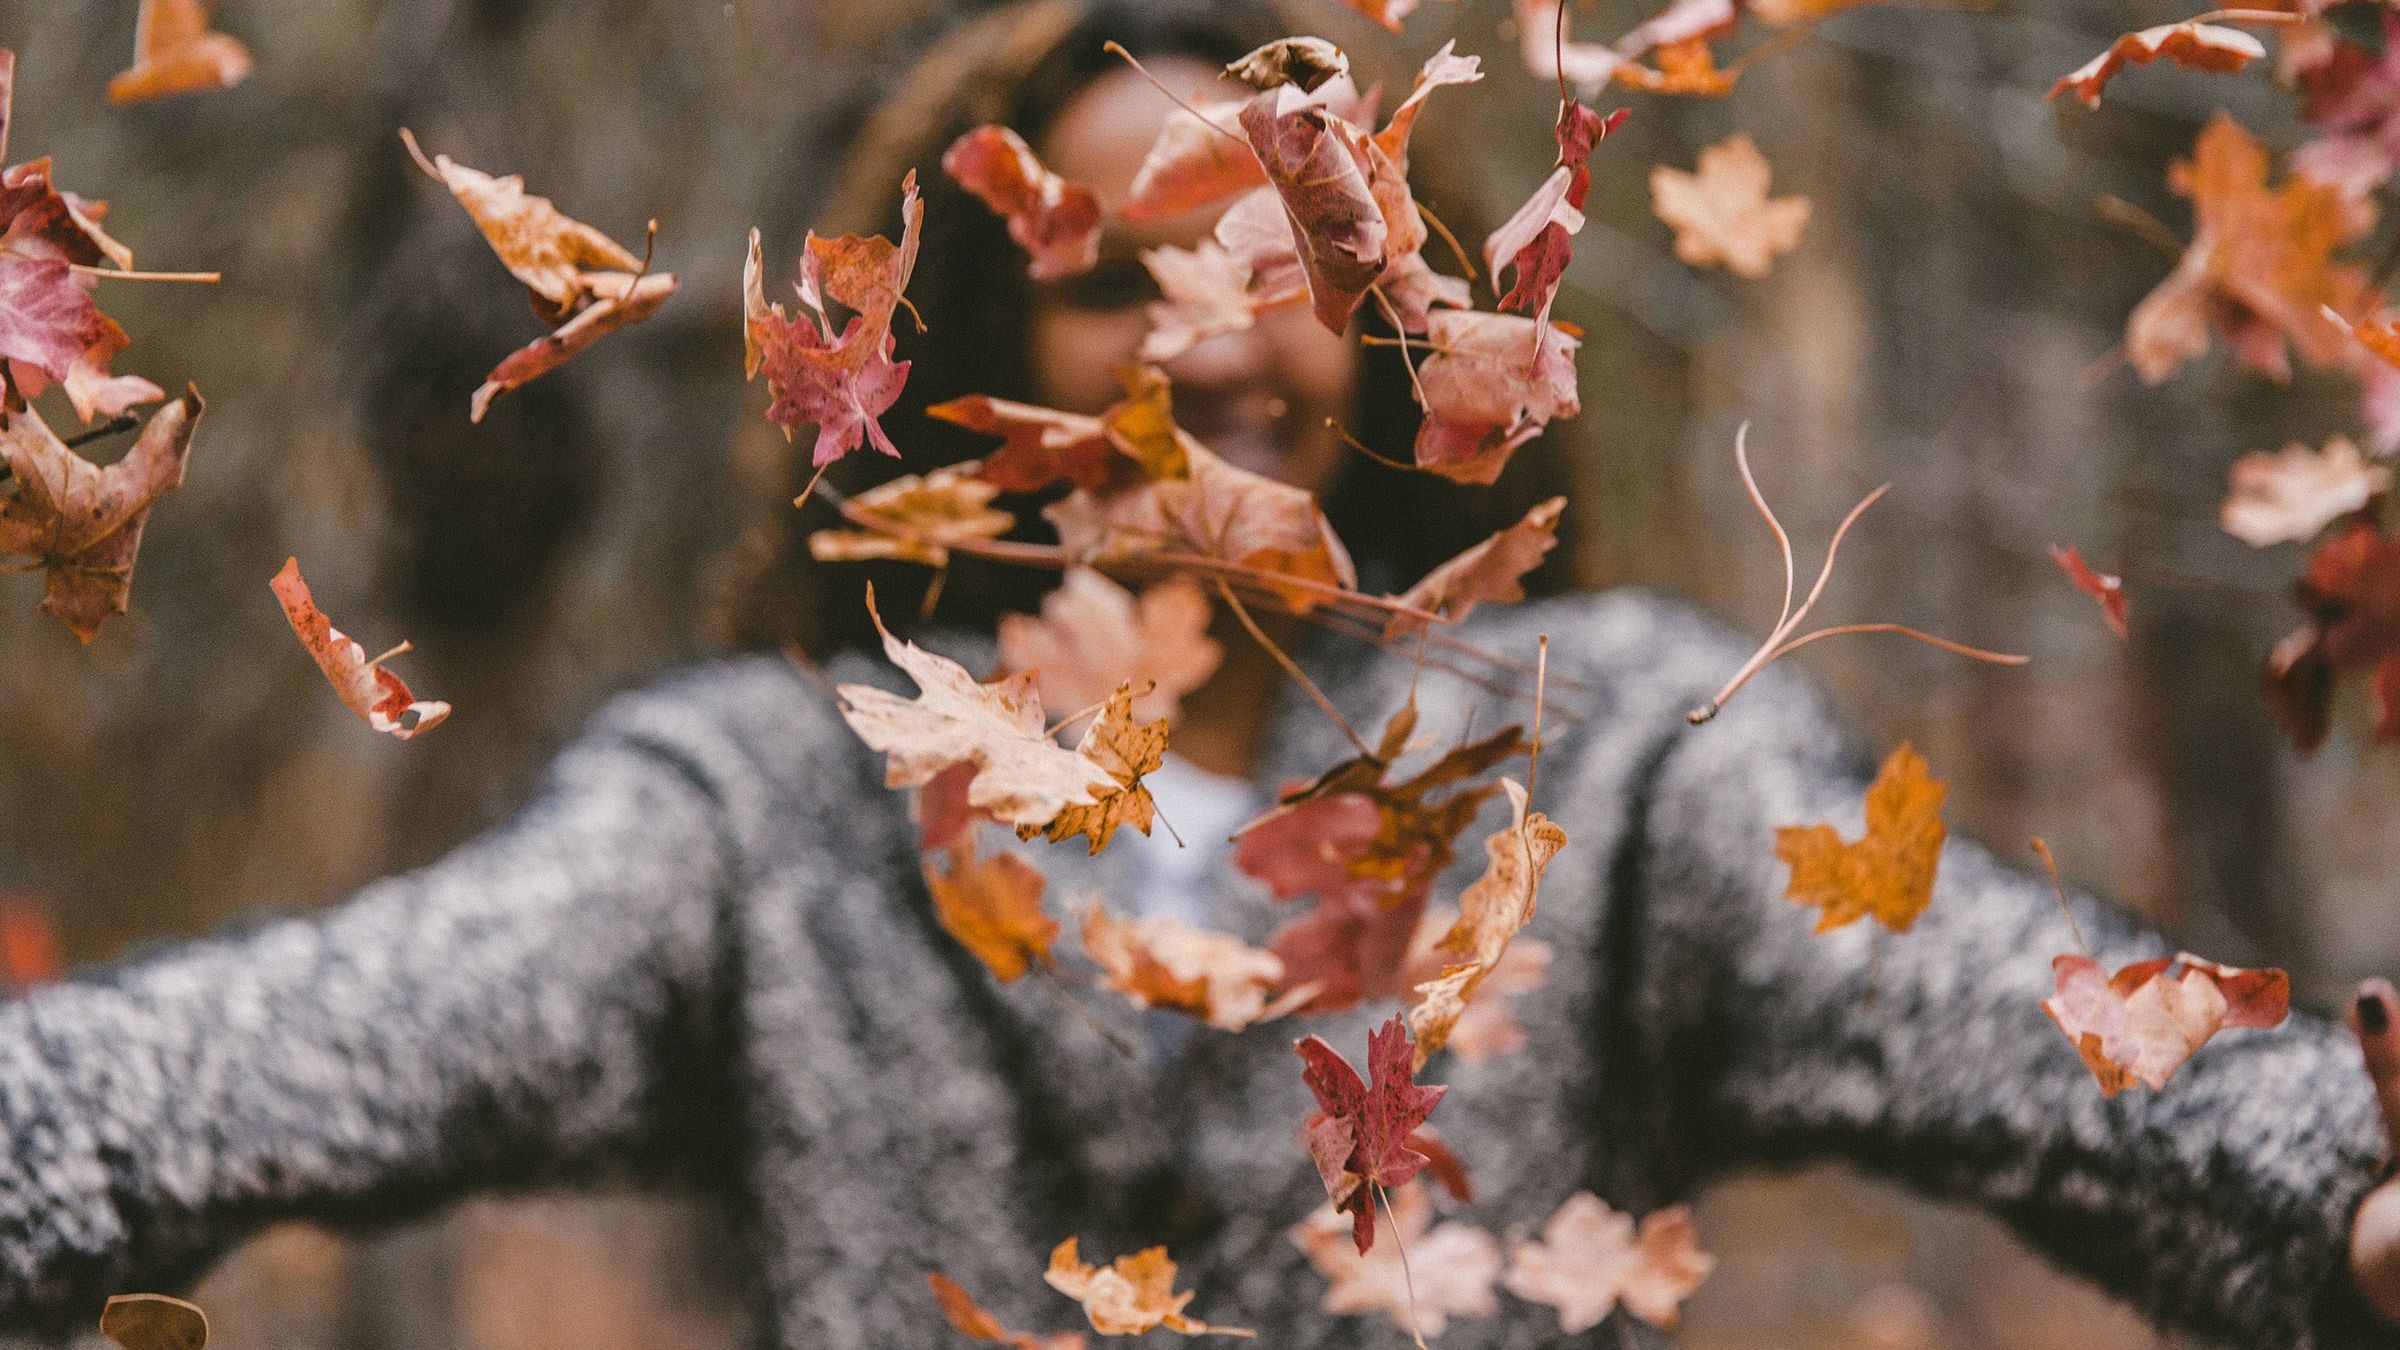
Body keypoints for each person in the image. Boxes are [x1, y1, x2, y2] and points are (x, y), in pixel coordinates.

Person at [2, 1, 2398, 1346]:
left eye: (1273, 258)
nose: (1206, 336)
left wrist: (2350, 1193)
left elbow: (2043, 1040)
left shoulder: (1607, 757)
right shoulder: (777, 808)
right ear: (973, 364)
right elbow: (303, 1044)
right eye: (1110, 276)